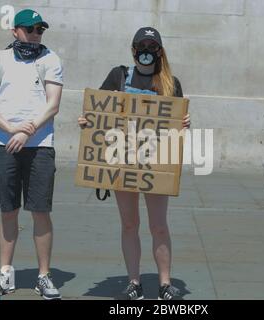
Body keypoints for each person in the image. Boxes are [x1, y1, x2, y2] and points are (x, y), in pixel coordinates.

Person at [78, 27, 190, 300]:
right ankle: (134, 282)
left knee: (158, 226)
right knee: (129, 224)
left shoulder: (170, 84)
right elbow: (98, 112)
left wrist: (185, 124)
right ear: (133, 49)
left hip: (155, 163)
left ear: (159, 51)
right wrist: (87, 121)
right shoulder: (118, 75)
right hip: (122, 162)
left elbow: (175, 126)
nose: (147, 51)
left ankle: (165, 284)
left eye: (153, 46)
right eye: (142, 45)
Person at [0, 9, 63, 300]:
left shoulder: (50, 59)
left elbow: (53, 104)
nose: (35, 34)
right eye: (29, 29)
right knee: (8, 211)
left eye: (40, 29)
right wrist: (10, 128)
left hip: (40, 147)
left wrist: (28, 131)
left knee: (40, 211)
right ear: (15, 31)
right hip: (4, 146)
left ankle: (44, 276)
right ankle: (5, 274)